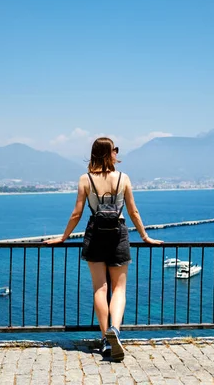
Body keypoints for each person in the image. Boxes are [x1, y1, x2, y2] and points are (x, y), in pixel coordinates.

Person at [45, 137, 163, 361]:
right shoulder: (123, 178)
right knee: (119, 289)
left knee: (100, 288)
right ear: (109, 153)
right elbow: (133, 212)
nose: (117, 154)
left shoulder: (85, 179)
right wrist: (146, 237)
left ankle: (105, 338)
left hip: (95, 234)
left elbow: (76, 214)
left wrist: (63, 237)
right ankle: (115, 331)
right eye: (115, 150)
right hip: (118, 233)